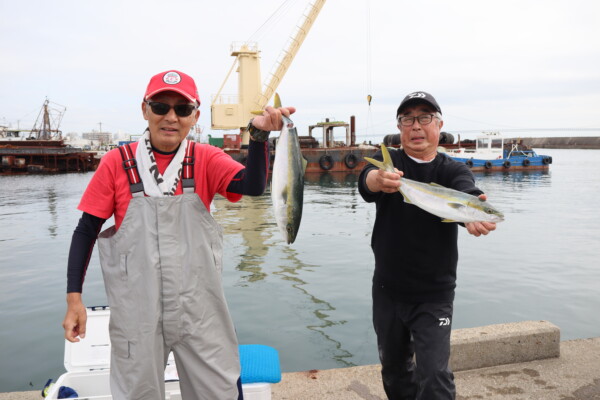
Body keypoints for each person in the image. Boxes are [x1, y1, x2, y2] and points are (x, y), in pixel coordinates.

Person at [62, 70, 295, 400]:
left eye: (182, 110)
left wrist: (258, 137)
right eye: (160, 106)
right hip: (136, 317)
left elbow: (252, 186)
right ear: (145, 110)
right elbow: (86, 230)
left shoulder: (205, 158)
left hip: (200, 311)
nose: (171, 117)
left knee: (220, 391)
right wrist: (74, 299)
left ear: (195, 116)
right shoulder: (117, 163)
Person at [358, 91, 497, 400]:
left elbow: (466, 193)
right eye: (407, 119)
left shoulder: (453, 170)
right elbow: (367, 181)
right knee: (394, 371)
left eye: (425, 118)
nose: (416, 126)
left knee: (434, 376)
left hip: (434, 294)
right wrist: (378, 180)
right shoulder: (391, 163)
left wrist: (472, 214)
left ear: (439, 125)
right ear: (400, 127)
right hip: (387, 291)